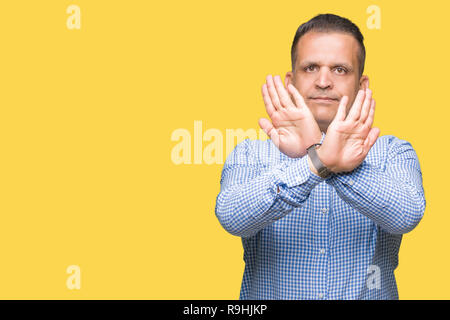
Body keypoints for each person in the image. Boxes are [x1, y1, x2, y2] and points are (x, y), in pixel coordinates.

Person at [214, 13, 426, 300]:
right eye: (311, 67)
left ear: (362, 85)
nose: (323, 81)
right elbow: (231, 217)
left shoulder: (393, 151)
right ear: (291, 80)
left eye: (340, 69)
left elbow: (406, 215)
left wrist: (322, 158)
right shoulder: (251, 153)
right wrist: (317, 161)